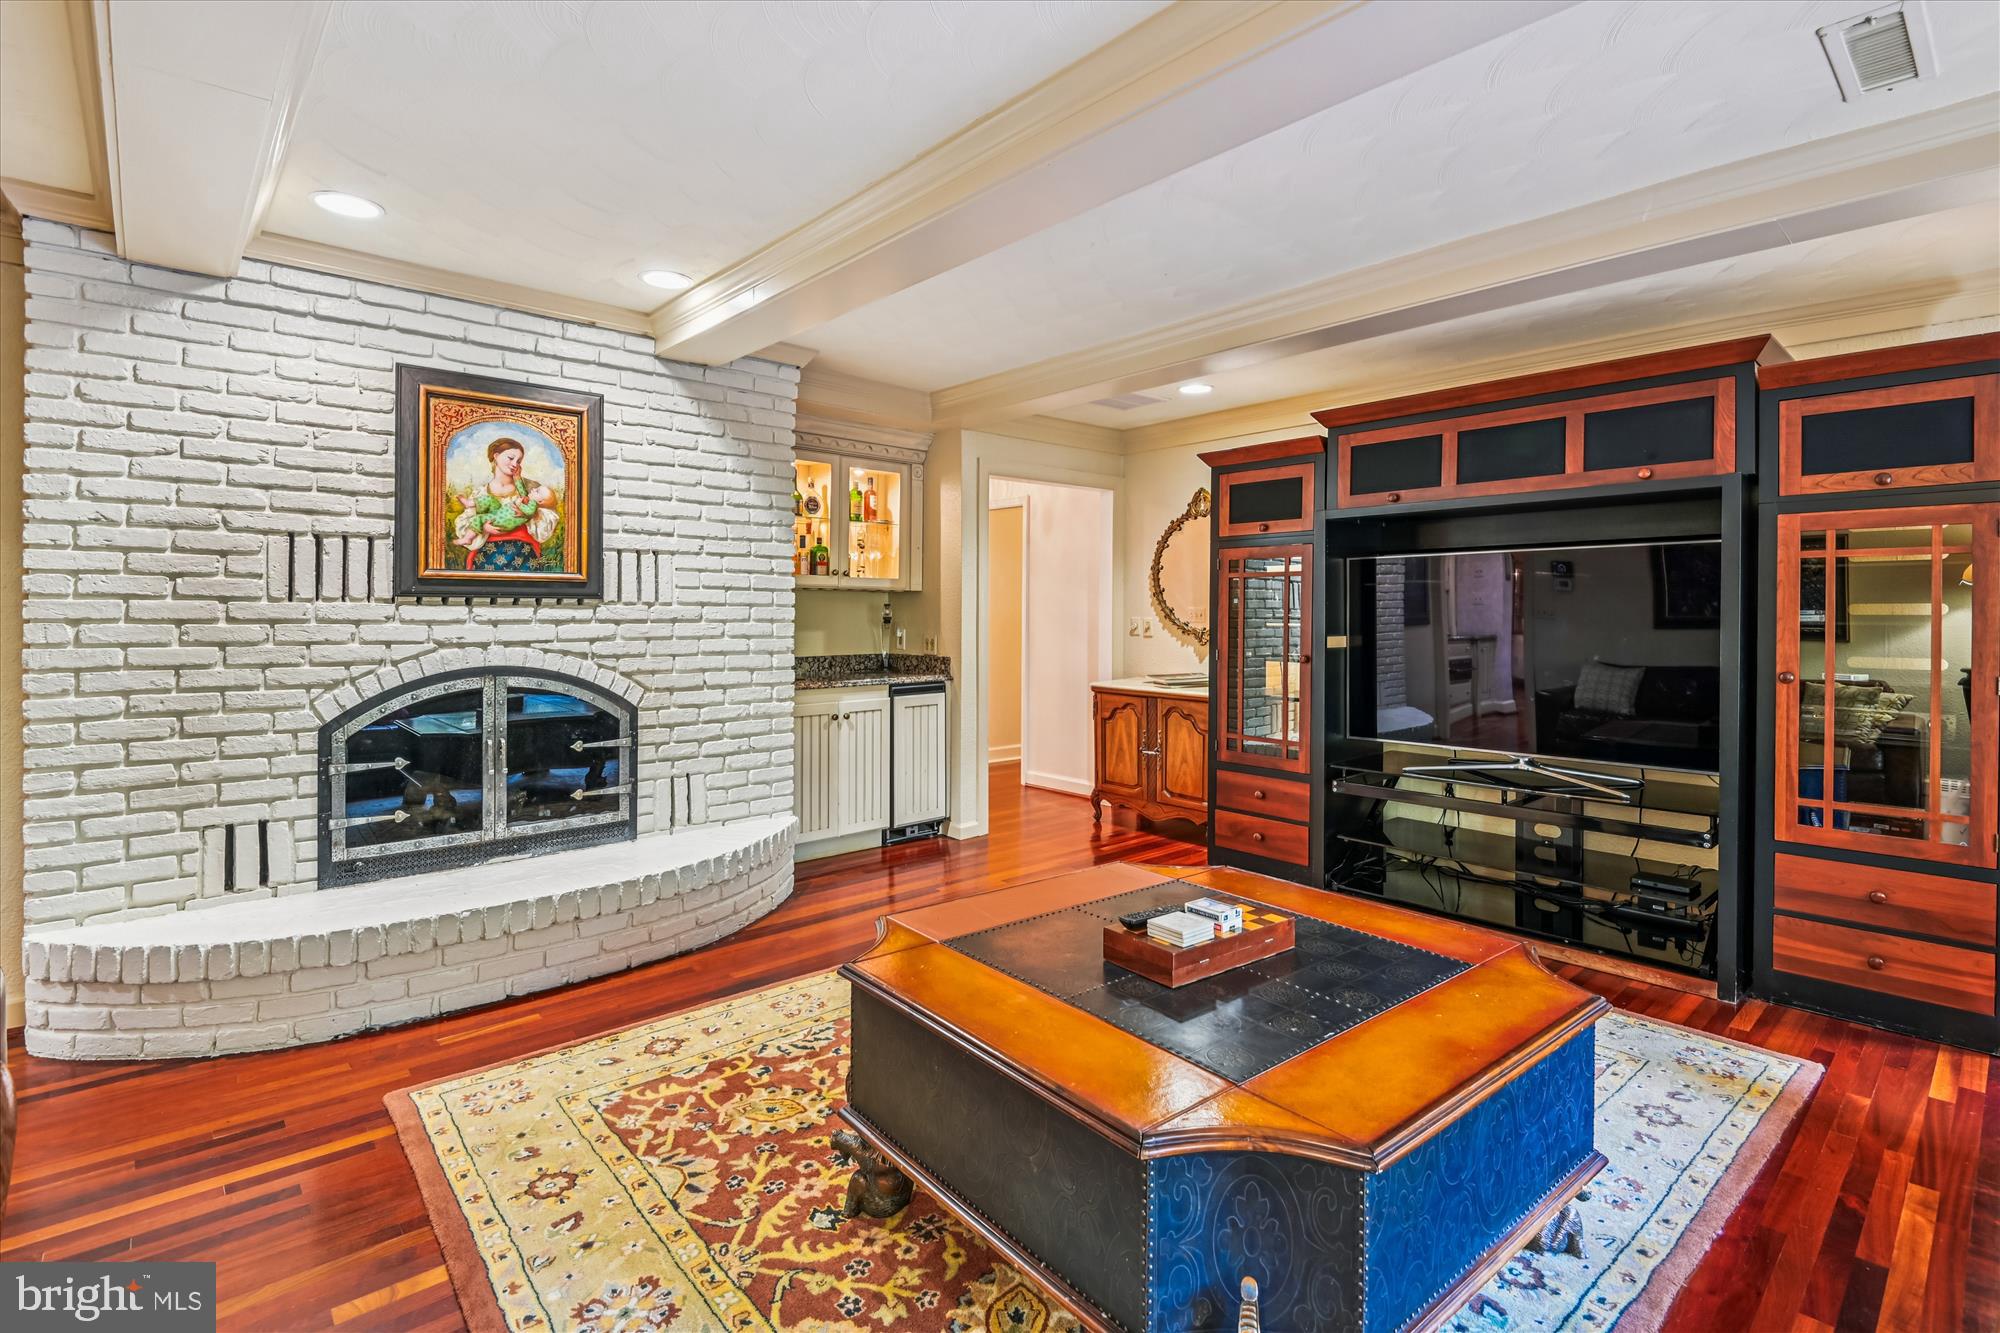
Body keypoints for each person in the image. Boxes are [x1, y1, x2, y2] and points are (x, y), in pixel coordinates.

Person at [454, 437, 558, 567]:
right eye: (510, 458)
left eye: (519, 461)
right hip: (487, 554)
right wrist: (484, 527)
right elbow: (466, 521)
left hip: (522, 552)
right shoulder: (481, 492)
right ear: (496, 456)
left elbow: (547, 517)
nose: (515, 464)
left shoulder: (532, 488)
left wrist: (528, 515)